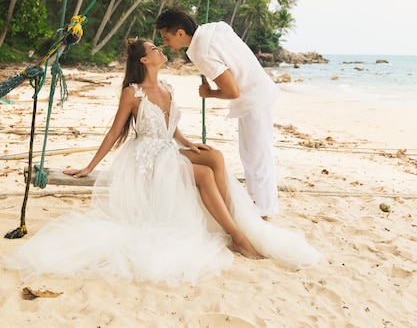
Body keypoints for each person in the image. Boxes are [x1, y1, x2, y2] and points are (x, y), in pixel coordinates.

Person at [2, 38, 320, 287]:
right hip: (146, 159)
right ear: (144, 59)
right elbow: (115, 132)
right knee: (204, 176)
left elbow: (172, 127)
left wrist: (188, 143)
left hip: (168, 148)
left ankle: (229, 219)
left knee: (214, 156)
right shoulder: (133, 92)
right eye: (154, 48)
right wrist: (88, 167)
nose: (159, 49)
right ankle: (237, 236)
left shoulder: (167, 87)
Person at [156, 8, 279, 219]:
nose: (165, 44)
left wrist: (210, 93)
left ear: (180, 33)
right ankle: (258, 204)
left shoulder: (202, 52)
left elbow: (233, 91)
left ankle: (264, 211)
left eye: (166, 38)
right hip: (258, 92)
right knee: (251, 155)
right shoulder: (213, 29)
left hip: (254, 99)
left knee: (257, 157)